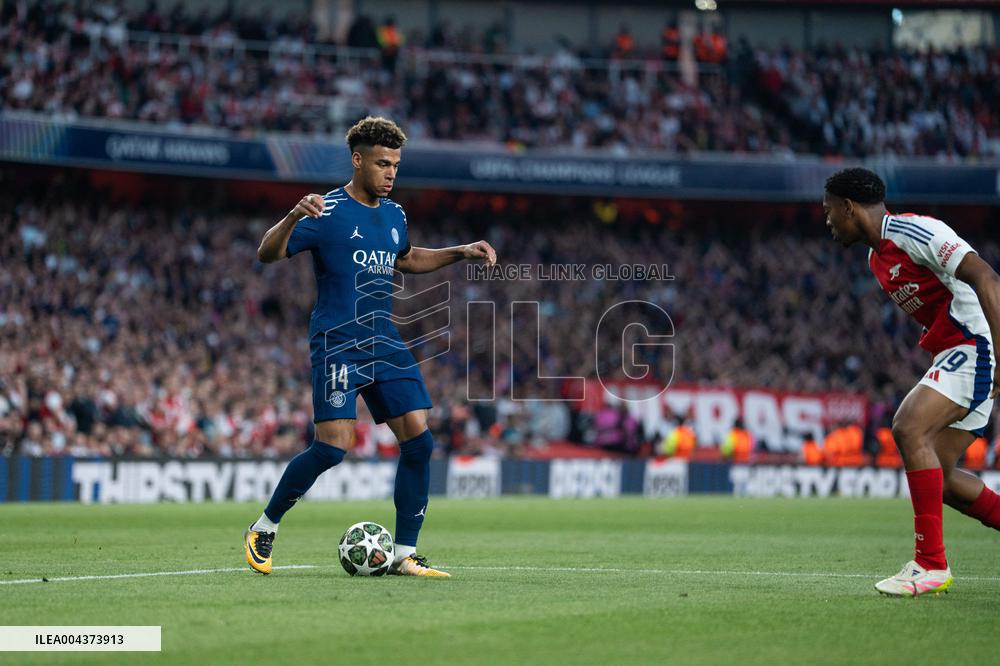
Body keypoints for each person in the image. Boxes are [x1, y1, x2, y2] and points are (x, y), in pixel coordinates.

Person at [245, 116, 497, 577]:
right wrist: (293, 216)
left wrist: (460, 251)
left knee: (420, 440)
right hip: (337, 341)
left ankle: (403, 554)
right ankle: (265, 524)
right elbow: (267, 252)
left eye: (396, 165)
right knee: (333, 448)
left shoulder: (395, 214)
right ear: (358, 160)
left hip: (384, 337)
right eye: (383, 163)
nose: (391, 173)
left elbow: (408, 257)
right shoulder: (326, 211)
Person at [823, 167, 1000, 597]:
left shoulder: (915, 232)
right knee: (938, 473)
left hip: (976, 345)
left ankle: (930, 565)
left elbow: (987, 278)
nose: (827, 221)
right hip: (954, 351)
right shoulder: (875, 259)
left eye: (829, 211)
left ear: (849, 207)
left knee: (907, 426)